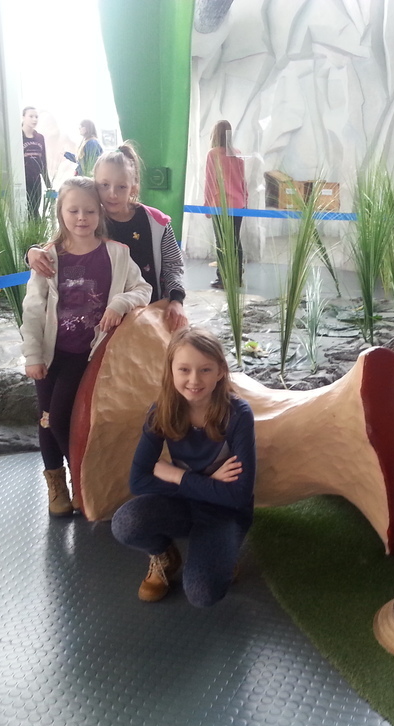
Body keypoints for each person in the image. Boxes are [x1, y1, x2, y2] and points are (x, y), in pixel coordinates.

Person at [21, 176, 152, 517]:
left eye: (90, 211)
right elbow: (33, 309)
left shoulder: (116, 254)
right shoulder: (48, 258)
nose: (82, 218)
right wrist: (33, 355)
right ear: (61, 212)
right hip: (51, 354)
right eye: (74, 210)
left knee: (60, 418)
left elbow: (143, 289)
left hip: (88, 355)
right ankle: (58, 485)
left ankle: (82, 481)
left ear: (100, 213)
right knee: (47, 418)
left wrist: (120, 302)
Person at [111, 326, 256, 606]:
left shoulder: (238, 414)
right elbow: (138, 481)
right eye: (184, 370)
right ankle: (164, 555)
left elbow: (239, 496)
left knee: (203, 594)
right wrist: (208, 481)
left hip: (224, 512)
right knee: (125, 524)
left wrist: (177, 475)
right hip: (185, 504)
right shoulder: (161, 411)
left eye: (205, 370)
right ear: (171, 371)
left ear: (220, 371)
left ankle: (221, 556)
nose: (194, 380)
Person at [27, 141, 188, 331]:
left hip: (148, 316)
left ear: (133, 188)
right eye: (104, 185)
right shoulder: (87, 219)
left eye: (121, 187)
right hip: (103, 323)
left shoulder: (156, 222)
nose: (112, 194)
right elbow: (62, 243)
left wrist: (176, 300)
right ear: (94, 185)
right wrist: (32, 252)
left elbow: (173, 265)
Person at [203, 119, 248, 289]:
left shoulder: (213, 154)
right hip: (238, 203)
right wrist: (245, 201)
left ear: (215, 134)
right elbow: (243, 181)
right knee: (235, 240)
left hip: (220, 205)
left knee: (221, 242)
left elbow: (210, 182)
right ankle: (237, 277)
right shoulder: (238, 154)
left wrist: (207, 206)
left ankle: (222, 278)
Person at [21, 106, 48, 216]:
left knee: (35, 210)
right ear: (23, 117)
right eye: (31, 116)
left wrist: (47, 182)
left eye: (36, 117)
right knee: (24, 211)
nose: (34, 119)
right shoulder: (18, 136)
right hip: (22, 181)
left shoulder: (39, 138)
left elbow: (43, 160)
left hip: (36, 180)